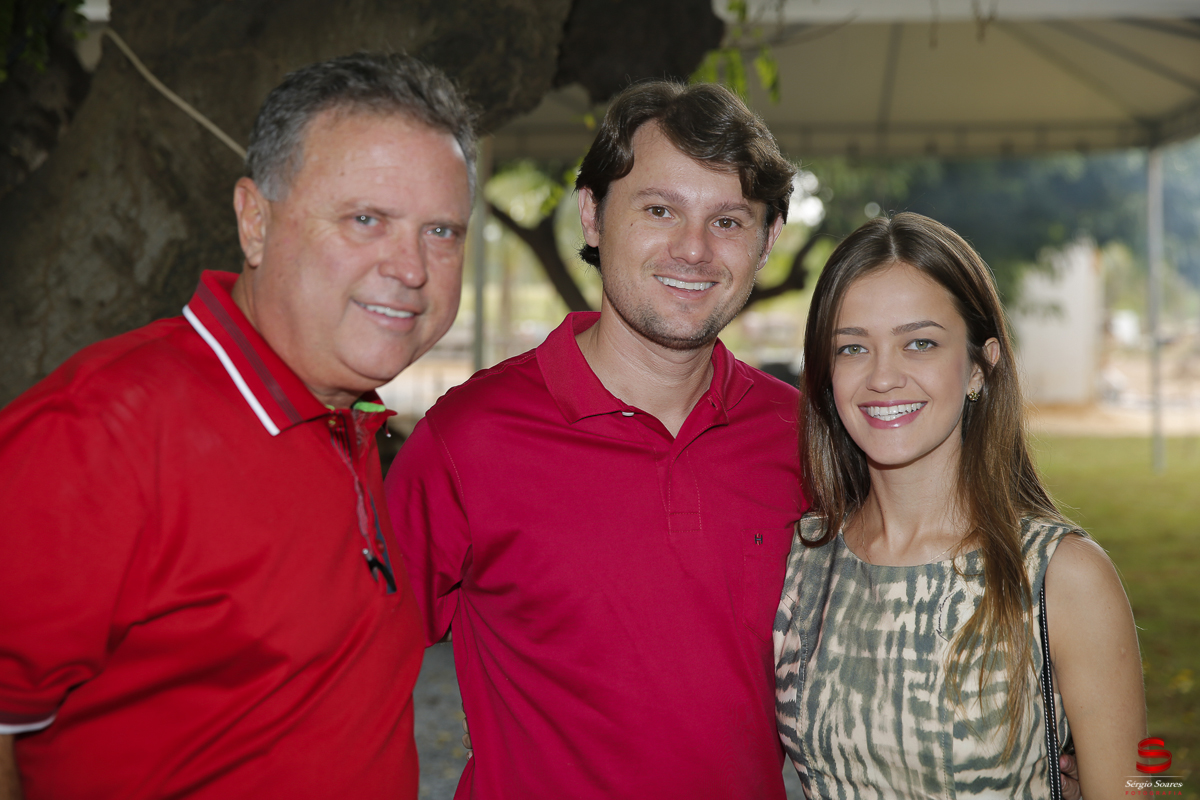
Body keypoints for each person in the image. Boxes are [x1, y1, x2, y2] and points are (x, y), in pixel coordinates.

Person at [0, 52, 475, 799]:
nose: (412, 267)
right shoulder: (99, 433)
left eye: (442, 231)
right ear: (255, 222)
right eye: (366, 219)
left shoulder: (348, 423)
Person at [384, 81, 803, 799]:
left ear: (766, 243)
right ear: (592, 216)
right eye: (659, 209)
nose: (693, 249)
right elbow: (353, 673)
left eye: (729, 221)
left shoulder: (805, 440)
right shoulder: (470, 438)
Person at [774, 212, 1145, 798]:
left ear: (979, 365)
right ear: (826, 374)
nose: (883, 377)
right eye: (852, 348)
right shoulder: (800, 559)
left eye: (919, 343)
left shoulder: (1062, 577)